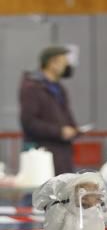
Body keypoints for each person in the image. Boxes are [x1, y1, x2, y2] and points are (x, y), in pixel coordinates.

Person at [19, 46, 79, 174]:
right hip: (41, 156)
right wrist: (59, 132)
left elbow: (66, 116)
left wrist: (74, 129)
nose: (67, 66)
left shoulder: (59, 89)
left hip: (62, 154)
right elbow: (29, 122)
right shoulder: (32, 88)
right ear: (52, 63)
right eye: (64, 62)